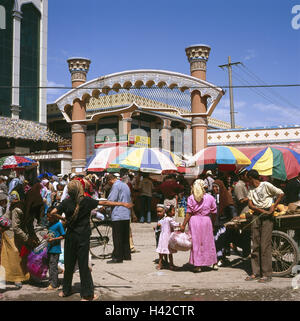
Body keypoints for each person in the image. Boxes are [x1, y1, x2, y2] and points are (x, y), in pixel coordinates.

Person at [49, 179, 132, 300]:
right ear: (80, 189)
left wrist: (65, 220)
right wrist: (123, 204)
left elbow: (52, 212)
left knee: (69, 263)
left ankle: (65, 291)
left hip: (70, 236)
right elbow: (105, 203)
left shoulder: (66, 202)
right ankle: (87, 295)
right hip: (82, 236)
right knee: (83, 265)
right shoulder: (87, 201)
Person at [245, 169, 284, 283]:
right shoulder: (251, 189)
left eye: (248, 179)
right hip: (257, 215)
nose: (248, 181)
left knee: (264, 245)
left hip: (267, 216)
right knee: (255, 244)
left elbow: (281, 193)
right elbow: (250, 204)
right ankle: (256, 272)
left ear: (252, 178)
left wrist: (273, 206)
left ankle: (267, 274)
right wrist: (260, 210)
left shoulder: (266, 185)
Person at [1, 183, 43, 289]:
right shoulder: (18, 209)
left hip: (20, 233)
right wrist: (27, 238)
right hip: (11, 234)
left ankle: (28, 275)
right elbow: (15, 228)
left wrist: (33, 237)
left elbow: (29, 223)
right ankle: (16, 278)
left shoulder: (28, 208)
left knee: (26, 253)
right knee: (15, 254)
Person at [180, 179, 217, 272]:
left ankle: (198, 265)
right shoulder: (210, 198)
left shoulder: (191, 198)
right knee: (209, 242)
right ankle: (214, 263)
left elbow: (188, 213)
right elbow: (214, 212)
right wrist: (212, 223)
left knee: (196, 243)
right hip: (206, 221)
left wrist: (183, 224)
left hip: (194, 221)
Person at [105, 174, 133, 264]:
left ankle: (118, 257)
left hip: (118, 214)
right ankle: (126, 255)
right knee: (125, 236)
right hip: (126, 213)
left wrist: (105, 207)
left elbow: (111, 200)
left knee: (117, 237)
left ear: (110, 180)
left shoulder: (116, 186)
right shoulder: (125, 185)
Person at [233, 168, 251, 258]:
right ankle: (245, 252)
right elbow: (241, 200)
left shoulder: (245, 185)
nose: (248, 176)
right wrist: (250, 197)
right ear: (242, 176)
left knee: (247, 234)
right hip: (243, 212)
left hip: (248, 211)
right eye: (246, 175)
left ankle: (246, 252)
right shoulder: (239, 186)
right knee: (245, 234)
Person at [156, 205, 180, 270]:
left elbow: (158, 227)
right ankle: (171, 265)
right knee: (170, 253)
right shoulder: (169, 219)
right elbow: (175, 224)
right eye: (173, 211)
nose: (174, 212)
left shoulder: (163, 219)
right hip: (167, 237)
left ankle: (160, 265)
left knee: (162, 252)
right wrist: (181, 224)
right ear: (168, 212)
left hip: (162, 237)